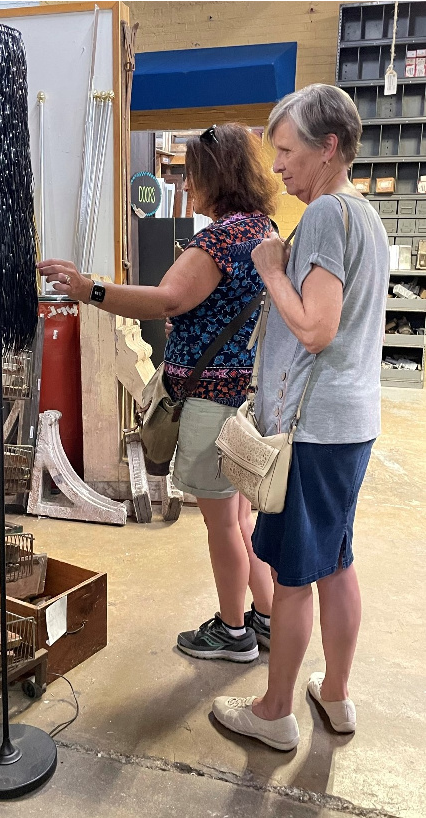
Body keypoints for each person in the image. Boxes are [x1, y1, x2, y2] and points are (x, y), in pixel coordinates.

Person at [39, 123, 277, 662]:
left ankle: (233, 631)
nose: (188, 188)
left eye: (193, 177)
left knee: (221, 524)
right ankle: (265, 617)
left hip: (207, 402)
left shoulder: (218, 238)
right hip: (237, 393)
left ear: (217, 176)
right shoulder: (261, 227)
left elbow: (167, 299)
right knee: (241, 518)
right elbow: (210, 307)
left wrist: (88, 289)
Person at [212, 85, 389, 751]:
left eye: (286, 151)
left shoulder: (321, 218)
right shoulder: (363, 216)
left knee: (292, 576)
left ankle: (273, 711)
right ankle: (335, 696)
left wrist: (269, 269)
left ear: (327, 148)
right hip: (350, 422)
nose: (277, 165)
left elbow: (315, 328)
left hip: (312, 428)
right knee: (335, 562)